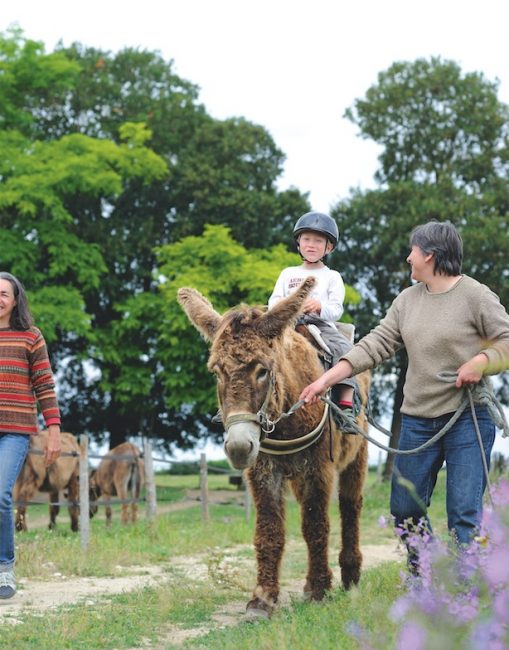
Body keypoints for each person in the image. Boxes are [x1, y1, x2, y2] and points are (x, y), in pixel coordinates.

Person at [299, 221, 509, 570]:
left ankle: (462, 593)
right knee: (405, 509)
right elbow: (376, 344)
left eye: (413, 250)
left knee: (463, 513)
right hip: (418, 420)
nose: (408, 257)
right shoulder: (407, 301)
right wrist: (327, 380)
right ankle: (425, 571)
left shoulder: (476, 296)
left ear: (430, 255)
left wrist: (481, 361)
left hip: (468, 420)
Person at [0, 272, 61, 599]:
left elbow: (45, 386)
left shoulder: (30, 337)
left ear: (15, 299)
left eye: (4, 294)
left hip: (15, 430)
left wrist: (54, 430)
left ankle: (4, 568)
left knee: (1, 496)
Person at [269, 211, 358, 423]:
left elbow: (336, 309)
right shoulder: (288, 273)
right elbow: (273, 301)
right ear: (298, 243)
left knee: (345, 351)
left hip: (319, 325)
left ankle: (346, 404)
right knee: (250, 347)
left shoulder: (332, 276)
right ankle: (241, 400)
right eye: (307, 239)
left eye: (318, 241)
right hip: (287, 324)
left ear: (329, 247)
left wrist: (319, 306)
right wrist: (287, 307)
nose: (311, 245)